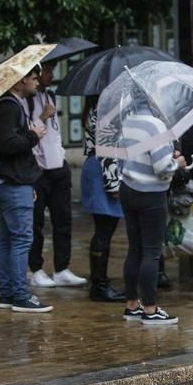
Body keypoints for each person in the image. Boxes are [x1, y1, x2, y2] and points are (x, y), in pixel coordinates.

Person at [118, 90, 187, 325]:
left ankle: (131, 305)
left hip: (129, 188)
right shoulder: (156, 125)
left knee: (134, 249)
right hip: (151, 194)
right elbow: (161, 167)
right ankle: (150, 309)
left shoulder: (129, 121)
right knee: (151, 252)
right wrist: (177, 163)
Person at [0, 64, 53, 313]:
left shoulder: (11, 105)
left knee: (8, 239)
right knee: (21, 239)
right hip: (12, 183)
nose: (37, 82)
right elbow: (6, 145)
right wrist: (33, 135)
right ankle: (20, 295)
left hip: (14, 181)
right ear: (19, 81)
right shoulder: (8, 107)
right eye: (33, 78)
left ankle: (7, 294)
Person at [26, 65, 86, 288]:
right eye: (47, 71)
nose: (51, 75)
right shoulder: (26, 100)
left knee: (63, 219)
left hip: (58, 167)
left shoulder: (50, 95)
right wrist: (42, 116)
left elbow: (55, 131)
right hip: (38, 170)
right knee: (36, 223)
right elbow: (28, 132)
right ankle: (36, 269)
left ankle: (62, 268)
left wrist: (61, 156)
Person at [82, 97, 126, 302]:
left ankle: (99, 282)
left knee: (103, 230)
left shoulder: (94, 108)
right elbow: (107, 148)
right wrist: (113, 185)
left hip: (99, 169)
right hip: (105, 172)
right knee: (104, 230)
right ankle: (99, 285)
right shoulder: (104, 110)